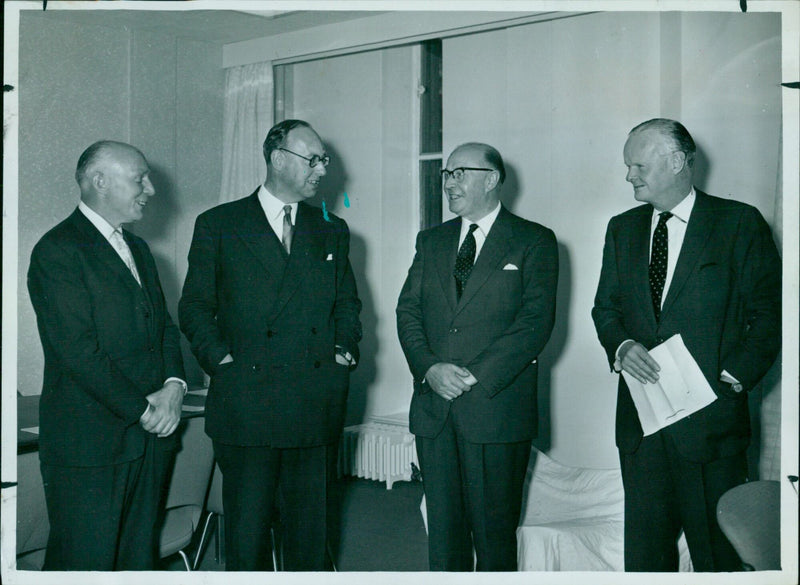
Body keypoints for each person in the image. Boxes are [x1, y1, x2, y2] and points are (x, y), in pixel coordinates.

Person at [592, 119, 781, 572]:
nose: (629, 176)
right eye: (627, 166)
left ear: (677, 162)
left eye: (638, 165)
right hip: (642, 428)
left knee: (717, 558)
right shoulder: (622, 229)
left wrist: (732, 380)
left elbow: (772, 313)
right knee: (645, 560)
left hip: (712, 429)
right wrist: (621, 346)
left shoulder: (738, 223)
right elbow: (606, 309)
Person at [179, 119, 362, 571]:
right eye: (312, 159)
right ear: (278, 159)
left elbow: (348, 306)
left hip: (313, 403)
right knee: (247, 537)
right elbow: (194, 308)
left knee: (310, 536)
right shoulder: (219, 224)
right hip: (247, 405)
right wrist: (223, 363)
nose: (322, 169)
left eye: (324, 159)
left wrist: (343, 353)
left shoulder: (331, 228)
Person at [396, 143, 559, 571]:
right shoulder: (431, 241)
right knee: (443, 537)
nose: (449, 182)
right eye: (446, 174)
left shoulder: (534, 241)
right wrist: (429, 368)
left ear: (491, 179)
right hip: (435, 410)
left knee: (493, 538)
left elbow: (534, 324)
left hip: (495, 409)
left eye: (460, 172)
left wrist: (470, 376)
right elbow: (408, 311)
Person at [27, 141, 187, 570]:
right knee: (85, 564)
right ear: (100, 181)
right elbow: (77, 353)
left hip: (147, 440)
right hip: (90, 446)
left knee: (137, 561)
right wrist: (144, 410)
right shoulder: (57, 251)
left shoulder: (139, 250)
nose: (150, 189)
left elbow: (165, 331)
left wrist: (175, 385)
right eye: (140, 179)